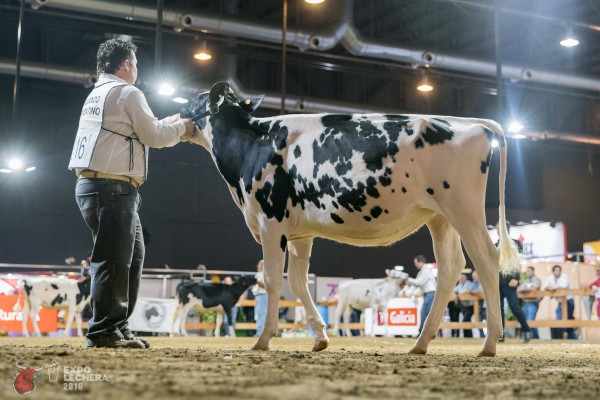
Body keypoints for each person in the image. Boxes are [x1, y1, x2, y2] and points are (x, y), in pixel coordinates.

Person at [69, 39, 195, 349]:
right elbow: (153, 136)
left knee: (131, 257)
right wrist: (183, 129)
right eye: (135, 64)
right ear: (126, 64)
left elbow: (144, 129)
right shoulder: (128, 92)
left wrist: (174, 121)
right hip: (112, 188)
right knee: (114, 260)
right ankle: (104, 331)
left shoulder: (98, 94)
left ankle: (118, 325)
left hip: (95, 186)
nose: (136, 69)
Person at [544, 265, 577, 339]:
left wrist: (552, 289)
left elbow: (563, 287)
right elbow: (545, 287)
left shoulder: (564, 276)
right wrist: (552, 289)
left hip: (569, 301)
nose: (557, 272)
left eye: (559, 270)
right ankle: (569, 337)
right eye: (556, 270)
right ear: (553, 271)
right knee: (560, 317)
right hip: (560, 302)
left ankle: (571, 336)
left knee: (567, 318)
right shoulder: (550, 278)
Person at [407, 255, 436, 334]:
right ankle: (425, 332)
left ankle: (422, 332)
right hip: (428, 294)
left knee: (424, 313)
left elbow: (419, 282)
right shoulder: (423, 271)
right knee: (426, 313)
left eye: (416, 262)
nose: (415, 264)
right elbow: (419, 285)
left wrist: (407, 278)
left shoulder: (426, 270)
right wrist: (413, 292)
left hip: (430, 293)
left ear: (420, 262)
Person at [517, 266, 542, 339]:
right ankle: (535, 337)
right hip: (526, 303)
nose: (528, 273)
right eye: (527, 271)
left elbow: (534, 288)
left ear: (533, 271)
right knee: (527, 321)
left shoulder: (537, 280)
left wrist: (525, 289)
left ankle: (535, 337)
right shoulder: (526, 281)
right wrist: (527, 288)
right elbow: (518, 289)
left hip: (533, 302)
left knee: (530, 321)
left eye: (529, 271)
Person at [453, 273, 474, 337]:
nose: (461, 280)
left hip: (470, 306)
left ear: (465, 279)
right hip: (463, 306)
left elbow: (470, 291)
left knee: (465, 320)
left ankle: (467, 336)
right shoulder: (459, 286)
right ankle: (468, 336)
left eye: (462, 278)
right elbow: (453, 291)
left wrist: (466, 291)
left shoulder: (469, 284)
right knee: (467, 320)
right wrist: (455, 295)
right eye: (459, 279)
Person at [252, 260, 267, 336]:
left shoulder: (265, 274)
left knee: (261, 314)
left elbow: (265, 286)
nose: (257, 266)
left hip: (263, 295)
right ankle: (259, 331)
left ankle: (260, 332)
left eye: (259, 264)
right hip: (258, 295)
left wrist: (256, 282)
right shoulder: (258, 274)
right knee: (258, 314)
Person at [469, 271, 486, 338]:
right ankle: (482, 336)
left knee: (487, 320)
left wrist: (472, 292)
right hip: (478, 305)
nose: (474, 278)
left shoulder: (483, 282)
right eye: (473, 276)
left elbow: (481, 291)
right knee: (479, 320)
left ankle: (490, 335)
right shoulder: (473, 283)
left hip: (485, 305)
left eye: (476, 276)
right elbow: (468, 290)